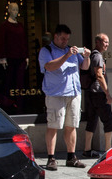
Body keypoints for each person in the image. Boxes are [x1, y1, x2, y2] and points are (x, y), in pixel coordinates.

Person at [38, 24, 90, 170]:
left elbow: (84, 67)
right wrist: (67, 56)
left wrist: (86, 57)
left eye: (67, 39)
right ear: (55, 36)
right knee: (53, 126)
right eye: (62, 39)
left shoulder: (71, 51)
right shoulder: (46, 51)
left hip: (73, 94)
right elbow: (49, 67)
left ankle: (71, 157)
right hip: (56, 94)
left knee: (71, 126)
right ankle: (51, 158)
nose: (65, 42)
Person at [83, 33, 112, 157]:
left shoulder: (94, 55)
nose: (107, 44)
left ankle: (87, 149)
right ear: (97, 42)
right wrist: (107, 93)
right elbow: (99, 75)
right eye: (104, 42)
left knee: (92, 121)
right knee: (109, 121)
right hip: (98, 93)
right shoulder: (97, 56)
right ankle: (108, 151)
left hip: (91, 94)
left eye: (108, 42)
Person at [0, 2, 29, 112]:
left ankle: (20, 105)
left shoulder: (20, 25)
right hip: (10, 58)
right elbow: (2, 42)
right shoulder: (5, 26)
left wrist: (26, 56)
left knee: (20, 82)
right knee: (9, 81)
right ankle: (8, 104)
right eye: (13, 9)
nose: (15, 12)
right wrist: (3, 57)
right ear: (9, 11)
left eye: (17, 10)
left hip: (21, 58)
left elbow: (24, 42)